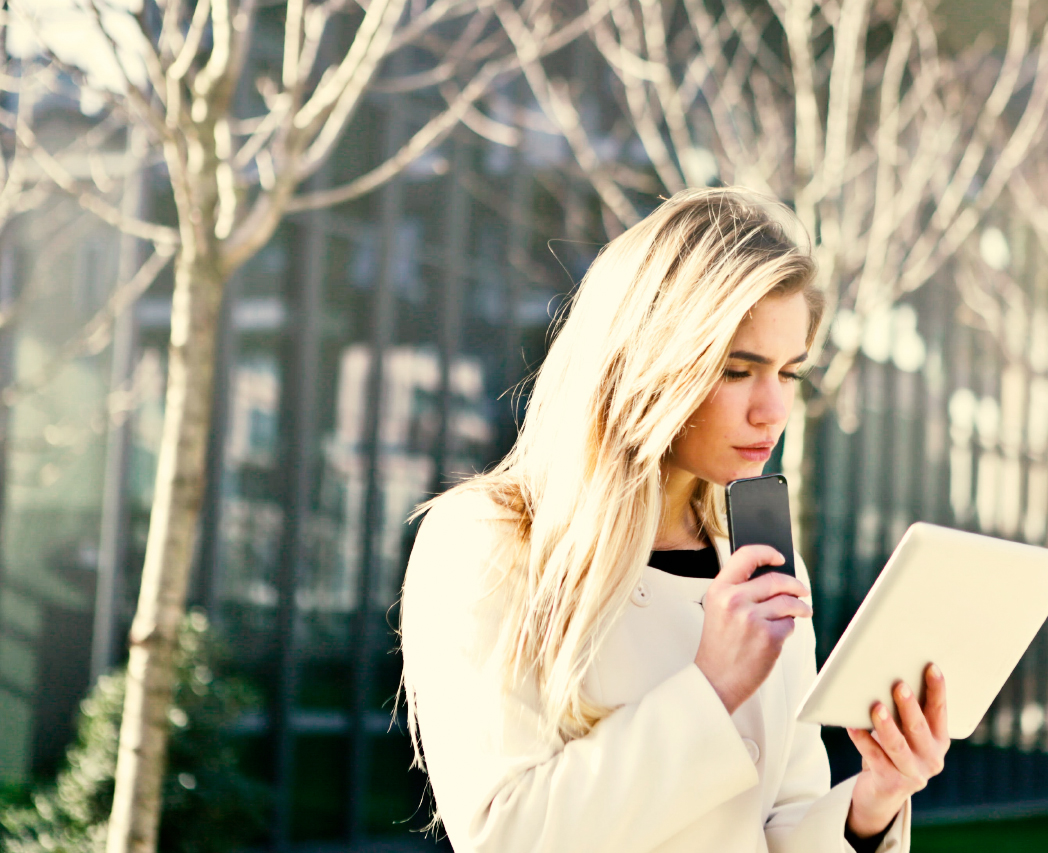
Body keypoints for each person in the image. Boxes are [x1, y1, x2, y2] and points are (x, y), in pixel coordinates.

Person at [400, 188, 949, 853]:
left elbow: (780, 821)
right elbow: (505, 834)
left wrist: (872, 803)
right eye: (738, 370)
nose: (772, 409)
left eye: (789, 373)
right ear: (652, 362)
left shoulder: (761, 553)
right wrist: (711, 687)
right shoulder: (490, 540)